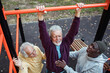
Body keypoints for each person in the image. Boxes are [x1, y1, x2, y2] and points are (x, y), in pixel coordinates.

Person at [36, 3, 84, 73]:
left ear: (62, 35)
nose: (58, 39)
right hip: (51, 71)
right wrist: (40, 17)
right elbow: (43, 32)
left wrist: (78, 13)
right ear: (50, 37)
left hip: (63, 70)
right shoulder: (48, 45)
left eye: (59, 36)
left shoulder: (66, 42)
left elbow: (73, 30)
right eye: (55, 36)